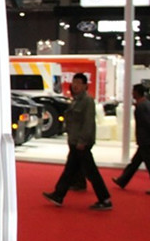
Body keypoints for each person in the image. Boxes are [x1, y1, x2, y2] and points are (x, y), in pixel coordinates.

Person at [43, 72, 112, 210]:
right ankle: (59, 194)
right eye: (74, 82)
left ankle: (104, 199)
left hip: (81, 143)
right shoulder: (76, 100)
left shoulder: (87, 101)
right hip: (75, 141)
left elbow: (88, 123)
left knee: (90, 172)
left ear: (85, 86)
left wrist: (82, 141)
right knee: (70, 169)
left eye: (79, 83)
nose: (75, 86)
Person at [111, 84, 150, 195]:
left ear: (136, 92)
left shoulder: (141, 106)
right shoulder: (147, 104)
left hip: (144, 138)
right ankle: (123, 180)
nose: (132, 93)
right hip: (146, 138)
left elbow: (147, 122)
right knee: (135, 162)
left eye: (133, 91)